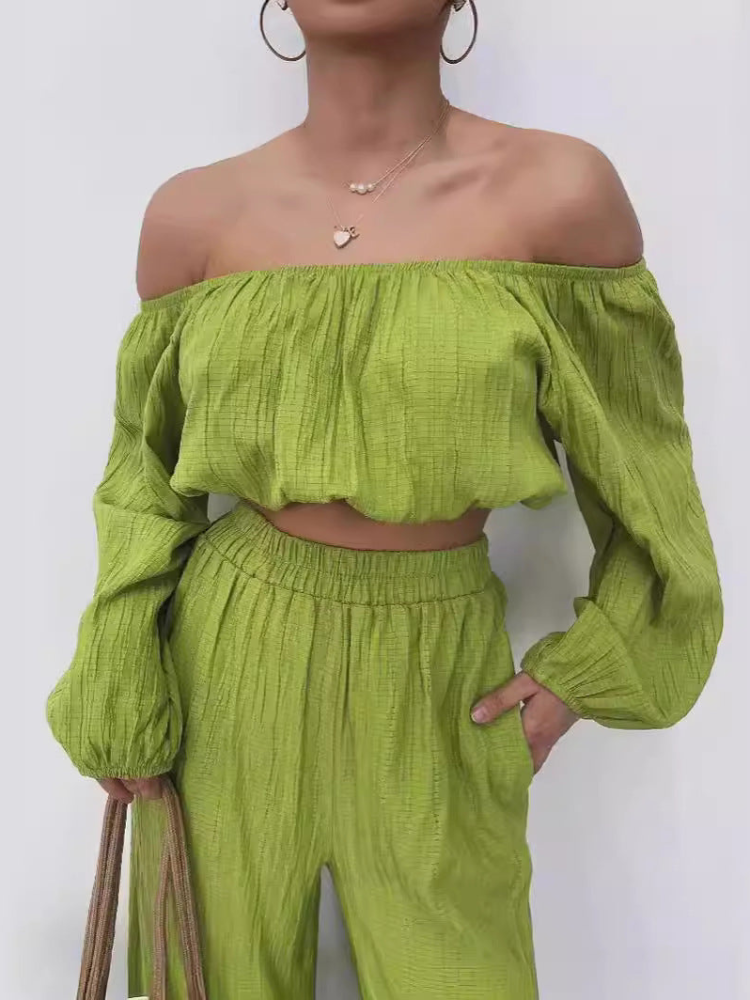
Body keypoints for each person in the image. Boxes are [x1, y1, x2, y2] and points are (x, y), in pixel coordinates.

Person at [46, 1, 724, 997]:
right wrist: (121, 679)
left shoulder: (560, 195)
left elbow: (648, 478)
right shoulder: (193, 216)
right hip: (229, 659)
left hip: (441, 667)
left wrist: (588, 673)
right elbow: (143, 480)